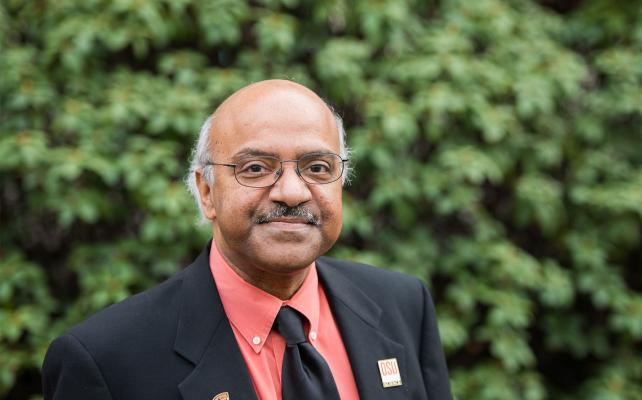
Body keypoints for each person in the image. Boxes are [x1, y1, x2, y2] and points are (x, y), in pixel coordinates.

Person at [42, 80, 453, 400]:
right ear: (206, 192)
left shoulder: (403, 306)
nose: (292, 192)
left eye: (317, 166)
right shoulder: (106, 361)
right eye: (255, 168)